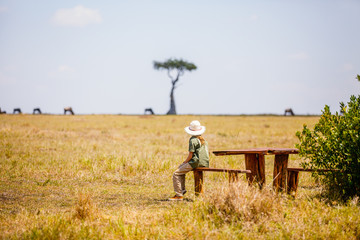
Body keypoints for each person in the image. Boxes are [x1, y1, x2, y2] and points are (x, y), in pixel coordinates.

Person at [169, 120, 209, 201]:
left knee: (176, 173)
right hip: (204, 163)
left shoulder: (193, 140)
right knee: (181, 171)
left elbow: (190, 155)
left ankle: (179, 194)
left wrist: (184, 162)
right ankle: (181, 191)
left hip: (195, 162)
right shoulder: (203, 139)